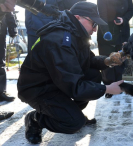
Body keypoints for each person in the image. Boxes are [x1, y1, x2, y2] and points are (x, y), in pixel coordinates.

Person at [17, 1, 124, 144]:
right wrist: (107, 88)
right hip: (38, 89)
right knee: (74, 123)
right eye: (94, 24)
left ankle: (70, 112)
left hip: (55, 82)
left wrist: (108, 61)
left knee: (93, 74)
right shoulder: (60, 40)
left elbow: (88, 61)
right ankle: (35, 119)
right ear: (78, 17)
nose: (95, 29)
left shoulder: (74, 33)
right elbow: (74, 86)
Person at [97, 0, 133, 98]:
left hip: (123, 31)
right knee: (106, 59)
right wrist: (106, 32)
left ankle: (119, 84)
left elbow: (131, 10)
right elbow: (102, 16)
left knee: (121, 58)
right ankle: (108, 87)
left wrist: (124, 19)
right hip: (107, 31)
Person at [0, 12, 17, 120]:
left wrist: (12, 26)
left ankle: (1, 91)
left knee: (0, 63)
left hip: (1, 30)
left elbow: (9, 10)